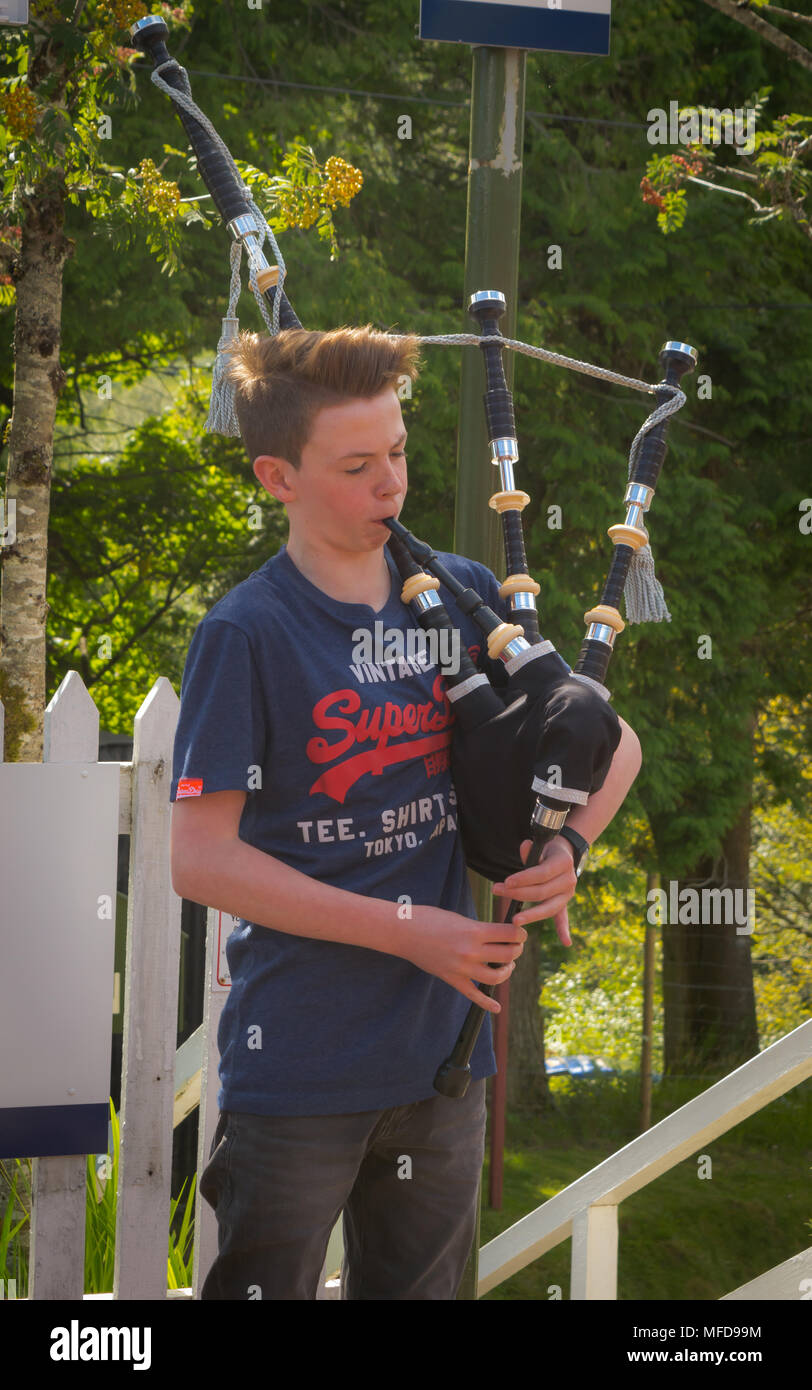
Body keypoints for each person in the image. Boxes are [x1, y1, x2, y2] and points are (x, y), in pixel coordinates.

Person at [169, 324, 642, 1301]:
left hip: (442, 1064)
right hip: (297, 1066)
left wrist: (568, 845)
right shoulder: (246, 633)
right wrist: (405, 929)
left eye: (397, 452)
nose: (392, 484)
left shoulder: (460, 596)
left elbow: (608, 739)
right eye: (356, 465)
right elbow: (201, 860)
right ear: (276, 477)